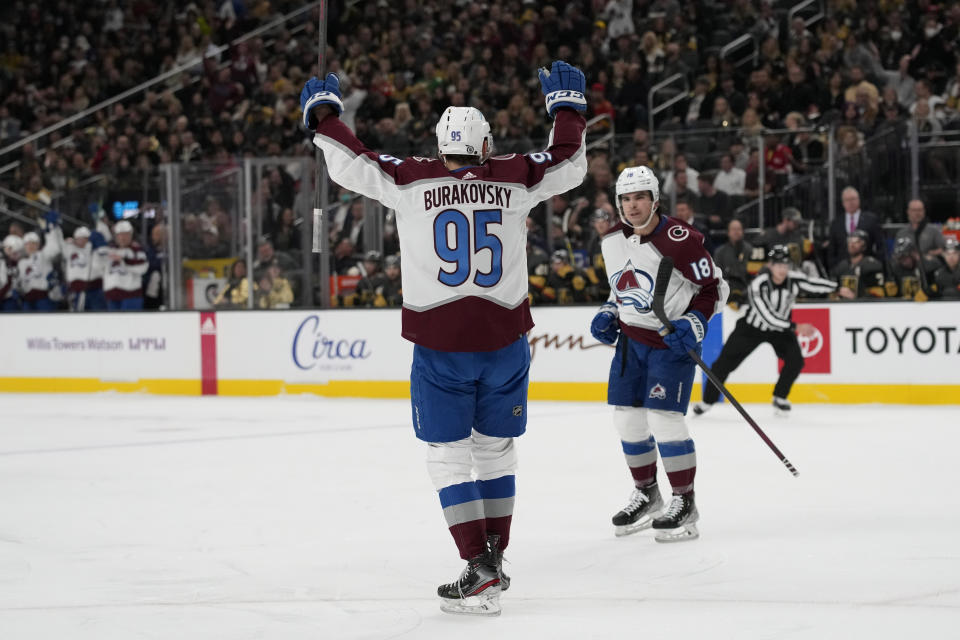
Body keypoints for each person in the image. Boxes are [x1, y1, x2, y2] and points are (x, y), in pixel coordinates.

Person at [301, 60, 588, 616]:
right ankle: (494, 560)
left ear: (439, 144)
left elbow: (351, 162)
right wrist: (567, 111)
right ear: (485, 144)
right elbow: (569, 163)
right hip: (504, 338)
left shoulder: (410, 178)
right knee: (496, 449)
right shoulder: (512, 176)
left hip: (440, 342)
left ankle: (478, 569)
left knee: (448, 455)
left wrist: (324, 115)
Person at [589, 165, 729, 543]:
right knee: (628, 422)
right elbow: (622, 290)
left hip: (672, 342)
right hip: (631, 344)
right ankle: (648, 493)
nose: (632, 206)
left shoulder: (681, 239)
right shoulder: (611, 241)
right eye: (626, 199)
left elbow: (715, 288)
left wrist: (696, 324)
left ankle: (685, 501)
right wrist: (610, 311)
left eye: (640, 197)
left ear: (654, 199)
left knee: (665, 420)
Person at [695, 246, 851, 417]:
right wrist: (796, 327)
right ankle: (706, 402)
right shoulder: (758, 285)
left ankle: (780, 397)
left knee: (796, 361)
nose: (782, 269)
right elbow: (767, 317)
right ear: (770, 266)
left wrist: (837, 288)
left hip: (781, 331)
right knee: (722, 365)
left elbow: (814, 284)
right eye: (778, 265)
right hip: (751, 328)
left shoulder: (794, 280)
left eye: (786, 265)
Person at [827, 187, 885, 267]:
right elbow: (832, 249)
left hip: (867, 267)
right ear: (843, 203)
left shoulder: (871, 220)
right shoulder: (836, 223)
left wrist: (878, 264)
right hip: (843, 268)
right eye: (847, 200)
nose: (851, 202)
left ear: (859, 200)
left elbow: (880, 245)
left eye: (853, 199)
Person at [17, 215, 64, 312]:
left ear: (38, 245)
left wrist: (50, 230)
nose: (30, 246)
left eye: (33, 243)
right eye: (28, 243)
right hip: (27, 300)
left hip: (43, 298)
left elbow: (54, 248)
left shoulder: (43, 255)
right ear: (24, 246)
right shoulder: (21, 263)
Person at [101, 220, 148, 310]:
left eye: (126, 234)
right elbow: (98, 266)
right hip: (111, 296)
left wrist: (123, 260)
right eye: (120, 235)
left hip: (131, 296)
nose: (122, 238)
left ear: (131, 235)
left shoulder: (137, 250)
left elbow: (142, 268)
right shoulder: (109, 250)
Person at [830, 230, 887, 298]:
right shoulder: (842, 266)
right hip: (843, 306)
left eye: (856, 242)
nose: (852, 244)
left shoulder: (871, 265)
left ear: (864, 245)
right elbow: (832, 291)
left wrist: (856, 298)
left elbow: (878, 295)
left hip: (864, 307)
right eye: (850, 241)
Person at [61, 226, 107, 311]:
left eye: (85, 239)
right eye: (79, 238)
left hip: (95, 289)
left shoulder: (94, 249)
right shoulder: (69, 248)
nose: (82, 241)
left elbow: (100, 265)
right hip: (76, 290)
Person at [712, 218, 753, 308]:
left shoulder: (751, 250)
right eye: (733, 229)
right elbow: (717, 277)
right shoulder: (720, 252)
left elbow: (754, 277)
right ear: (728, 232)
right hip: (726, 295)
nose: (736, 232)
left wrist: (744, 294)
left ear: (743, 232)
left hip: (748, 296)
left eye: (739, 229)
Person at [2, 235, 23, 311]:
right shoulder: (2, 262)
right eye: (8, 248)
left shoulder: (20, 264)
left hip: (11, 299)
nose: (10, 252)